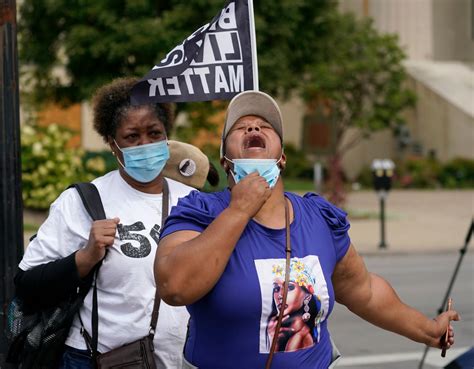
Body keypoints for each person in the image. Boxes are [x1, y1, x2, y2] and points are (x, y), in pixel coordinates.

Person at [154, 90, 460, 369]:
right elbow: (175, 287)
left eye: (265, 125)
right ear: (225, 160)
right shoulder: (200, 212)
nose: (253, 128)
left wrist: (428, 330)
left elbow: (364, 291)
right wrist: (239, 210)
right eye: (240, 127)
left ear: (282, 158)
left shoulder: (319, 218)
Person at [14, 77, 203, 369]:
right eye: (132, 136)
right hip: (98, 359)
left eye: (154, 133)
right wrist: (85, 258)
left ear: (167, 136)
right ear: (112, 144)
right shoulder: (83, 201)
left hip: (176, 359)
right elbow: (26, 285)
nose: (145, 144)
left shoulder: (193, 201)